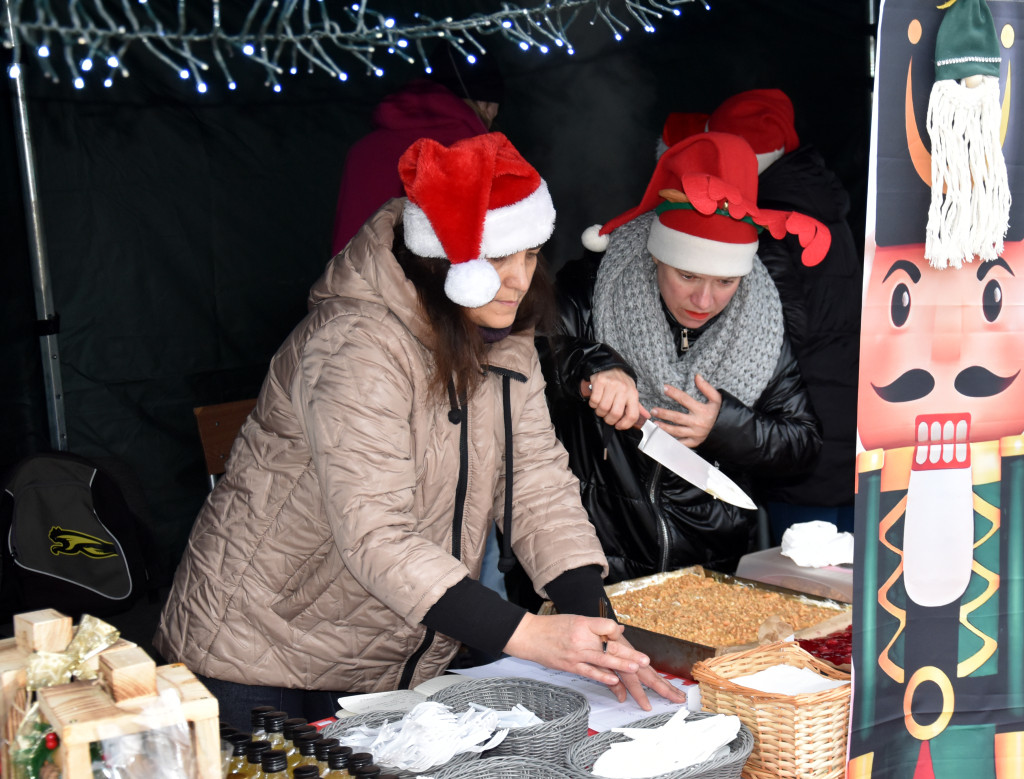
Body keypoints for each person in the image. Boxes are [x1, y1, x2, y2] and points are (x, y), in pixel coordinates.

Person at [154, 132, 685, 727]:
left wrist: (592, 623)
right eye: (499, 258)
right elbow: (376, 534)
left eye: (530, 255)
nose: (518, 280)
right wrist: (533, 635)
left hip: (383, 649)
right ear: (443, 260)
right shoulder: (358, 344)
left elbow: (536, 483)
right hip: (264, 650)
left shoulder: (505, 340)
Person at [540, 132, 827, 585]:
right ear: (657, 257)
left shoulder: (759, 320)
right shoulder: (595, 288)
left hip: (708, 566)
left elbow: (802, 443)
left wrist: (726, 428)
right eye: (687, 274)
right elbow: (530, 350)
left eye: (726, 281)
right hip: (593, 554)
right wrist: (591, 365)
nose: (705, 299)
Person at [703, 88, 862, 541]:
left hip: (803, 434)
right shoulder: (821, 203)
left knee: (805, 583)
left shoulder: (770, 219)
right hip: (846, 422)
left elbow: (780, 329)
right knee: (850, 579)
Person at [330, 42, 503, 256]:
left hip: (358, 286)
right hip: (438, 288)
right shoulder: (477, 154)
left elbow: (344, 248)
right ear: (487, 103)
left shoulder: (362, 151)